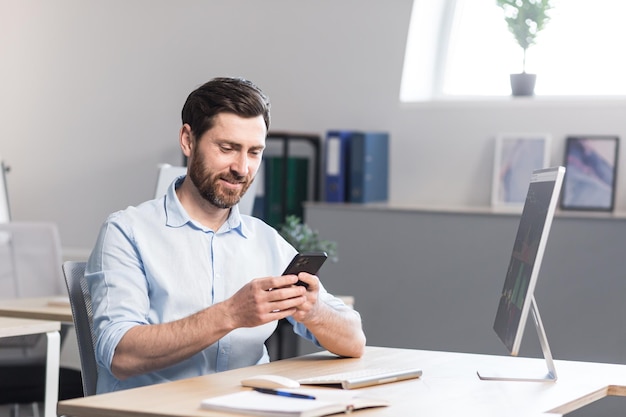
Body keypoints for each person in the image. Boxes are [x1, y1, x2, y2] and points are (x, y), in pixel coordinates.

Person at [85, 77, 366, 394]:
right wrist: (231, 314)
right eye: (228, 148)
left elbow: (355, 341)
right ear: (188, 140)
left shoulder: (265, 240)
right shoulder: (127, 232)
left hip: (248, 408)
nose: (242, 168)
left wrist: (313, 311)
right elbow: (120, 354)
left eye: (254, 152)